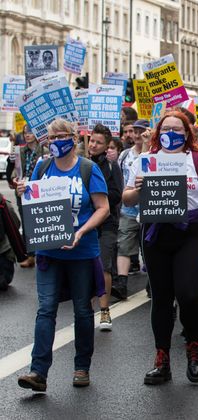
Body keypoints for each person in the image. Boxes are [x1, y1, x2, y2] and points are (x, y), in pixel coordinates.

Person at [122, 111, 198, 385]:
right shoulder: (145, 161)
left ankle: (193, 345)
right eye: (166, 128)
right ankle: (162, 358)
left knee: (188, 295)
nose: (172, 133)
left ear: (187, 134)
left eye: (177, 129)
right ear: (158, 132)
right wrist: (139, 189)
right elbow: (127, 198)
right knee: (160, 298)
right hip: (156, 233)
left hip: (189, 233)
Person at [16, 118, 110, 392]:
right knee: (46, 309)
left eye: (61, 136)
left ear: (72, 137)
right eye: (51, 136)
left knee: (82, 309)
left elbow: (102, 207)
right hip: (49, 252)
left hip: (80, 251)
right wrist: (25, 191)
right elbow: (34, 204)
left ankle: (81, 366)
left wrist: (81, 232)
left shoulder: (88, 169)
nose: (55, 140)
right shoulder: (42, 167)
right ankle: (38, 371)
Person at [88, 124, 123, 330]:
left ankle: (104, 310)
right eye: (92, 140)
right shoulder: (80, 162)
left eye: (98, 142)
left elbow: (117, 195)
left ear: (106, 145)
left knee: (103, 266)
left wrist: (97, 195)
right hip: (84, 222)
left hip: (107, 223)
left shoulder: (111, 166)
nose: (93, 145)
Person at [114, 120, 150, 299]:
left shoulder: (155, 153)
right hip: (129, 208)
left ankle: (152, 281)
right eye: (135, 132)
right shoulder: (125, 155)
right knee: (124, 244)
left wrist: (146, 148)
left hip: (150, 208)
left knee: (148, 246)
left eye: (141, 132)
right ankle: (122, 282)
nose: (137, 135)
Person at [10, 124, 47, 268]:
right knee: (27, 223)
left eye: (30, 132)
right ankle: (30, 254)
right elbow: (15, 171)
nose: (27, 135)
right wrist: (14, 179)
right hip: (22, 190)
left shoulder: (44, 151)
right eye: (25, 132)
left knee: (40, 222)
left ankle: (41, 253)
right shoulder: (20, 151)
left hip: (38, 191)